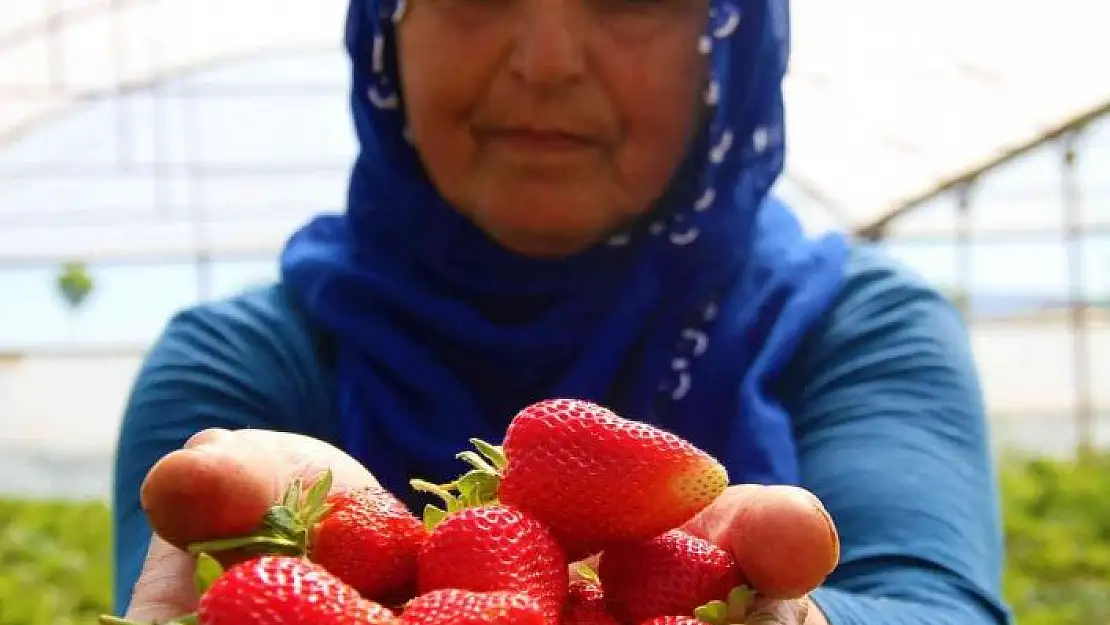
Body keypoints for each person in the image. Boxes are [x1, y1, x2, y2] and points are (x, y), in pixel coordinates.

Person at [108, 0, 1013, 622]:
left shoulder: (856, 325)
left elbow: (935, 598)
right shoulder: (237, 364)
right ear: (388, 32)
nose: (545, 62)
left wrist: (799, 614)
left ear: (728, 41)